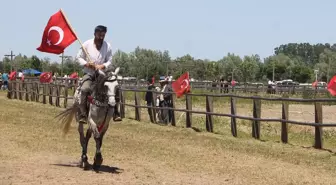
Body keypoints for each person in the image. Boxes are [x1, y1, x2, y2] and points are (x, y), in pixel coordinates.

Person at [76, 25, 113, 124]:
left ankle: (116, 112)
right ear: (95, 34)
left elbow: (110, 60)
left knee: (114, 87)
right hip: (89, 73)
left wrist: (103, 66)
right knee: (84, 89)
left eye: (103, 35)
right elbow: (78, 57)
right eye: (99, 35)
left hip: (102, 75)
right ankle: (83, 114)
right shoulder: (86, 44)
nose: (101, 38)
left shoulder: (107, 46)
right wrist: (87, 64)